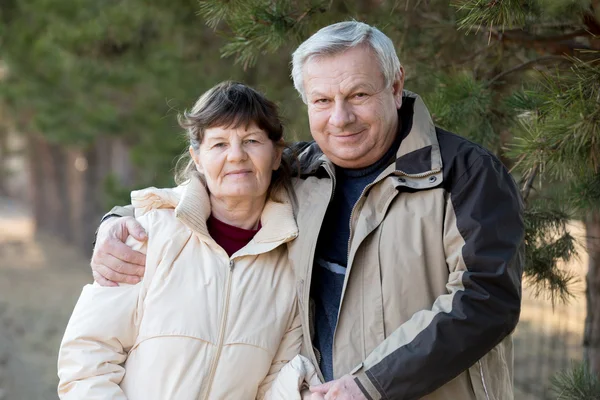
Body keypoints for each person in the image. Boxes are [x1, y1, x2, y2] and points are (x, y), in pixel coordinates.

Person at [91, 21, 524, 400]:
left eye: (358, 94)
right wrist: (117, 221)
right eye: (321, 101)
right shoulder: (299, 171)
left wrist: (371, 386)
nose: (341, 118)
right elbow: (215, 186)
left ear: (395, 87)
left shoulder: (464, 173)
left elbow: (486, 299)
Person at [57, 81, 321, 400]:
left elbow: (273, 383)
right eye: (219, 144)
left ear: (277, 155)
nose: (236, 156)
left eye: (251, 140)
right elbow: (87, 359)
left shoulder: (292, 258)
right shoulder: (149, 233)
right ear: (197, 158)